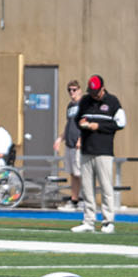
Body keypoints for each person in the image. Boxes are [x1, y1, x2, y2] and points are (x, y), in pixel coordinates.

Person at [72, 75, 126, 234]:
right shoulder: (85, 101)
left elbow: (120, 123)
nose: (94, 95)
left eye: (96, 91)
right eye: (91, 91)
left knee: (105, 187)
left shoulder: (113, 102)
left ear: (102, 88)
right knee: (87, 188)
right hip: (87, 150)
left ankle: (108, 221)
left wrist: (99, 126)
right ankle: (88, 220)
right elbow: (77, 119)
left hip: (104, 151)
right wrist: (82, 124)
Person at [61, 80, 86, 211]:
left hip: (78, 145)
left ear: (80, 89)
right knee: (72, 173)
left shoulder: (84, 104)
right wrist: (60, 138)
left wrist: (81, 139)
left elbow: (86, 123)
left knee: (80, 173)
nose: (72, 92)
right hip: (69, 143)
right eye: (69, 90)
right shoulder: (70, 105)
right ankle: (74, 200)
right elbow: (68, 124)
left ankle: (84, 199)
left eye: (74, 89)